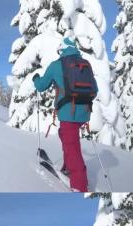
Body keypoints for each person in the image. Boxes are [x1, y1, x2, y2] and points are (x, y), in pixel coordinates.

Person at [33, 37, 98, 192]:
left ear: (61, 50)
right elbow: (95, 89)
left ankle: (79, 185)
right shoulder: (85, 64)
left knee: (72, 146)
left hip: (68, 113)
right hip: (85, 111)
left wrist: (35, 79)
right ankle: (68, 166)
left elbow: (42, 86)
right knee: (65, 135)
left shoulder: (57, 65)